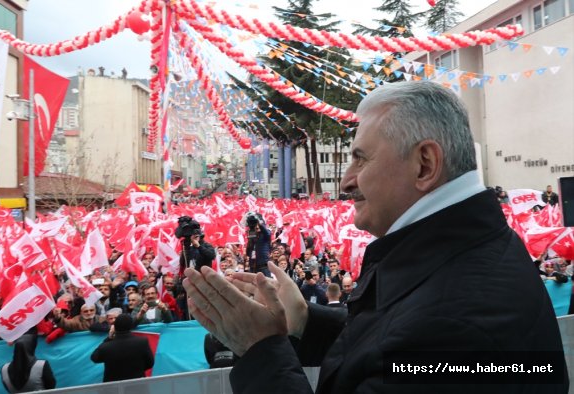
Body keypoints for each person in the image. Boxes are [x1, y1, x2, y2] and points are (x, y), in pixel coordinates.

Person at [182, 81, 567, 393]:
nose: (347, 180)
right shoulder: (473, 249)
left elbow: (415, 344)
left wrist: (260, 350)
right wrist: (304, 322)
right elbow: (394, 348)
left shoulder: (455, 326)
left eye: (361, 158)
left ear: (425, 164)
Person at [90, 314, 154, 382]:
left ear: (115, 326)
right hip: (137, 383)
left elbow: (94, 358)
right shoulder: (142, 342)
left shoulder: (106, 346)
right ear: (130, 326)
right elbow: (150, 363)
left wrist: (109, 338)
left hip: (113, 386)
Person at [244, 212, 272, 277]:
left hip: (264, 266)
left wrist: (259, 223)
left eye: (257, 225)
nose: (256, 227)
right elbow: (248, 252)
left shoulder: (265, 234)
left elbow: (267, 233)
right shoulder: (252, 234)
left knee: (267, 284)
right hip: (253, 266)